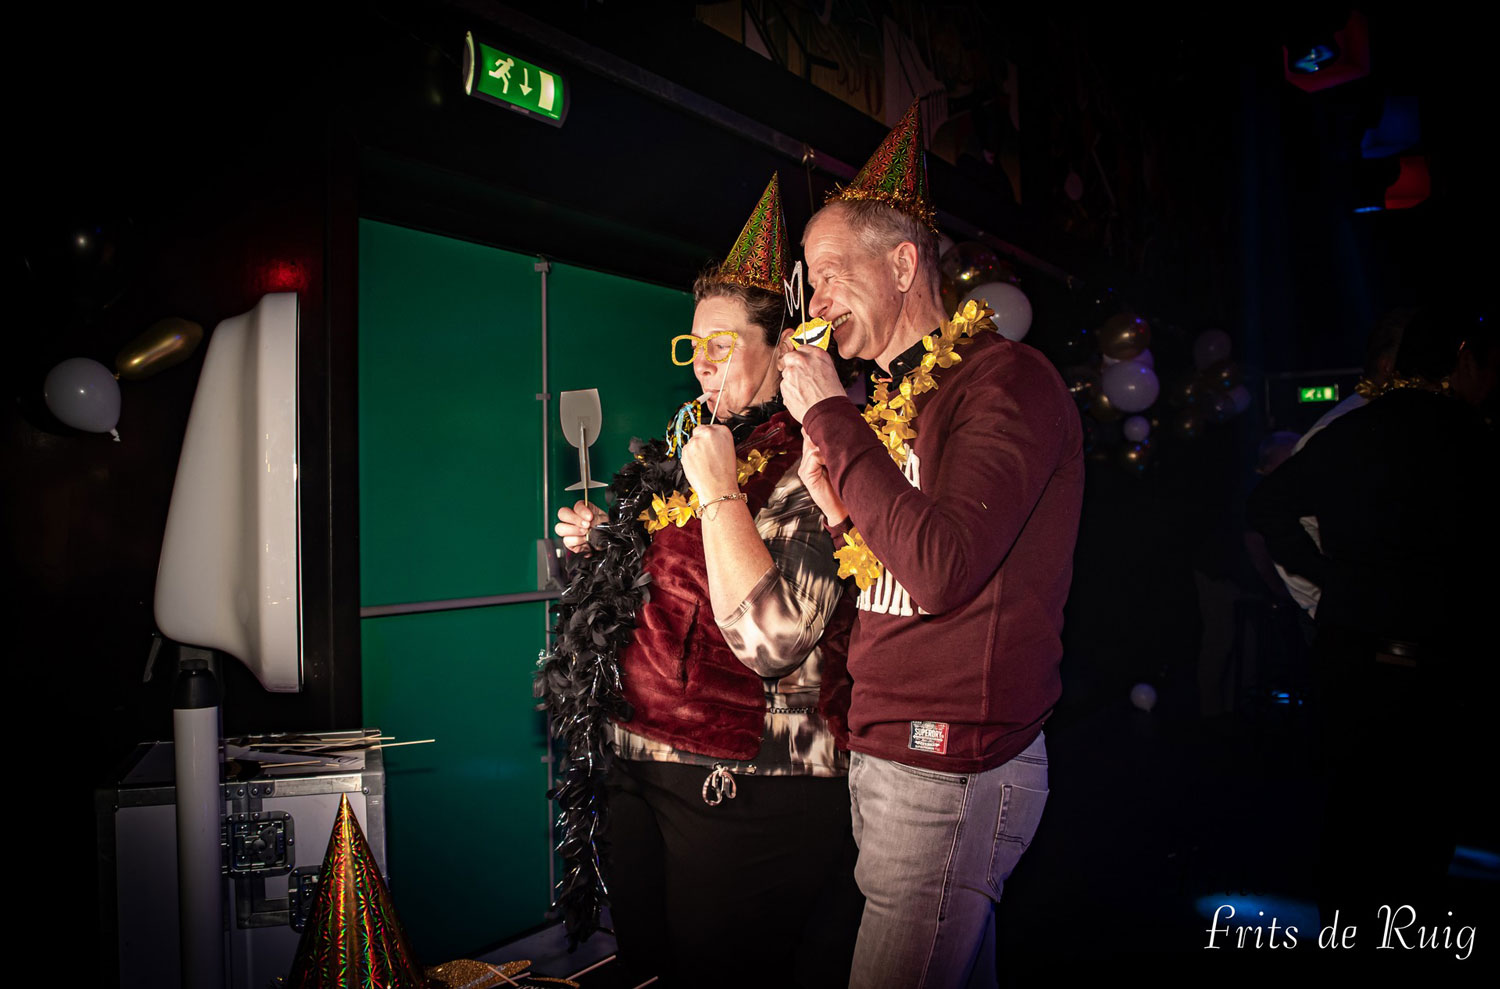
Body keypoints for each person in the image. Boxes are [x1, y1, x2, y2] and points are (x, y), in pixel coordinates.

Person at [776, 102, 1084, 988]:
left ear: (905, 264)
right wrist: (839, 508)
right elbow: (899, 569)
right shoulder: (896, 401)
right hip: (891, 750)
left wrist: (830, 411)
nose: (815, 304)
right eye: (808, 284)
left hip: (953, 763)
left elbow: (944, 567)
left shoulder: (1006, 381)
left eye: (829, 276)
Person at [542, 175, 861, 989]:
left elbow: (774, 639)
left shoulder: (822, 452)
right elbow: (680, 584)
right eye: (694, 347)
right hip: (638, 759)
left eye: (723, 343)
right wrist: (613, 543)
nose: (703, 365)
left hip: (752, 780)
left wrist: (719, 490)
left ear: (784, 347)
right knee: (649, 969)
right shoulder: (697, 445)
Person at [1247, 305, 1497, 932]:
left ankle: (1350, 930)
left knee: (1352, 812)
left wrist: (1331, 577)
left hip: (1353, 649)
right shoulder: (1474, 440)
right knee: (1425, 820)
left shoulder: (1357, 430)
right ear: (1462, 362)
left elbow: (1268, 505)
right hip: (1439, 658)